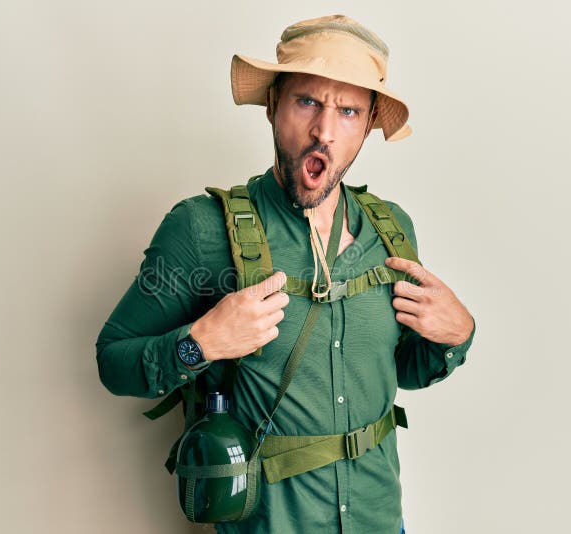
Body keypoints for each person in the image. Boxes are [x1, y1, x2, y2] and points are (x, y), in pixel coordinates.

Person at [96, 14, 476, 534]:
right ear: (273, 104)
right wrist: (199, 343)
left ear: (367, 126)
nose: (324, 130)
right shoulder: (200, 229)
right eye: (308, 102)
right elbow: (113, 360)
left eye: (347, 111)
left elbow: (402, 370)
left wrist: (457, 337)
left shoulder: (392, 232)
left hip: (381, 520)